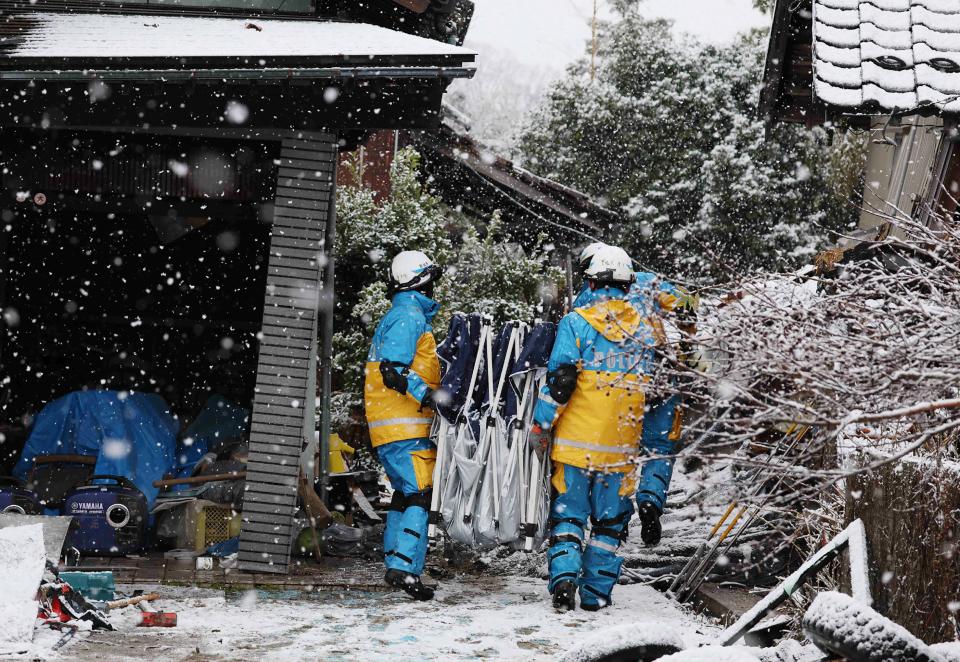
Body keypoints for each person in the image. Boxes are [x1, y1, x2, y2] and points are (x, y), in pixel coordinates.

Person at [531, 245, 659, 611]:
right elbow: (652, 394)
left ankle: (564, 579)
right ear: (627, 285)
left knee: (569, 515)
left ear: (591, 281)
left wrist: (542, 423)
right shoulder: (644, 334)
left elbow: (561, 382)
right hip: (619, 451)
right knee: (609, 524)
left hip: (574, 445)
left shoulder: (576, 323)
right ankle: (596, 594)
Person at [571, 242, 690, 547]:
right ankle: (650, 498)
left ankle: (617, 518)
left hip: (623, 384)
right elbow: (688, 306)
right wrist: (687, 348)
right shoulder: (650, 282)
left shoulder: (586, 300)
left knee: (619, 453)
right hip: (663, 375)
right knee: (660, 447)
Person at [364, 250, 443, 601]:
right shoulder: (409, 316)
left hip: (392, 427)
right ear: (423, 281)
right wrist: (431, 397)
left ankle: (396, 564)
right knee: (419, 495)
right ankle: (405, 570)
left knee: (404, 494)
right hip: (406, 426)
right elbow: (393, 371)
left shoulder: (400, 314)